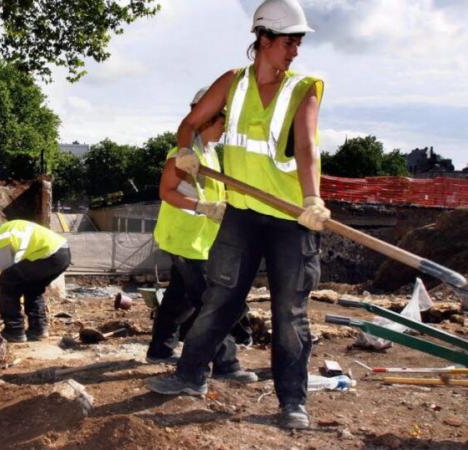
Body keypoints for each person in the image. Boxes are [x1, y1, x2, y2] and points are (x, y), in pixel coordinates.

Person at [146, 0, 329, 430]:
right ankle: (189, 376)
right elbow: (189, 123)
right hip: (242, 215)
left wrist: (312, 199)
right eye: (289, 41)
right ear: (263, 39)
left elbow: (307, 148)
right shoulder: (233, 82)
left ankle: (291, 402)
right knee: (220, 297)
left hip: (290, 220)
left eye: (299, 42)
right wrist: (189, 150)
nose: (295, 51)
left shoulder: (304, 88)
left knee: (290, 312)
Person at [147, 87, 256, 386]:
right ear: (207, 119)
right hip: (186, 239)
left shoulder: (210, 154)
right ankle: (225, 361)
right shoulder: (184, 155)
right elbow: (165, 193)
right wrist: (201, 206)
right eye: (222, 121)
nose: (225, 128)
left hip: (197, 240)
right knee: (212, 303)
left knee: (178, 299)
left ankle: (159, 349)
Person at [0, 220, 71, 343]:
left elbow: (10, 276)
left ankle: (14, 331)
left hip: (47, 254)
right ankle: (38, 329)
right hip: (61, 252)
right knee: (32, 287)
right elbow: (11, 264)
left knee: (4, 284)